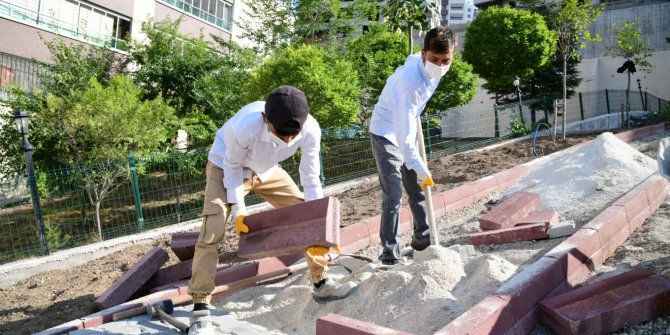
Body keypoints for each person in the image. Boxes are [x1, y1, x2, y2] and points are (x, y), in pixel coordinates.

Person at [187, 86, 357, 335]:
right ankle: (200, 308)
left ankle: (321, 284)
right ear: (266, 120)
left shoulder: (310, 128)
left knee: (306, 215)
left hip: (267, 171)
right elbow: (232, 167)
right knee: (212, 230)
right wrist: (240, 212)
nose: (288, 140)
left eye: (293, 135)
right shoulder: (246, 126)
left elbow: (310, 177)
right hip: (225, 168)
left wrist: (320, 229)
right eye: (282, 134)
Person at [369, 27, 457, 265]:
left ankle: (422, 239)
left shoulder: (431, 68)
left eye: (445, 60)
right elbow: (404, 137)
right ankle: (390, 253)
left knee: (417, 188)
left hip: (407, 126)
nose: (439, 65)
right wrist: (419, 166)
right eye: (434, 60)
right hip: (386, 131)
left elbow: (408, 129)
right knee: (394, 192)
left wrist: (417, 168)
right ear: (423, 54)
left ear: (453, 54)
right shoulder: (410, 83)